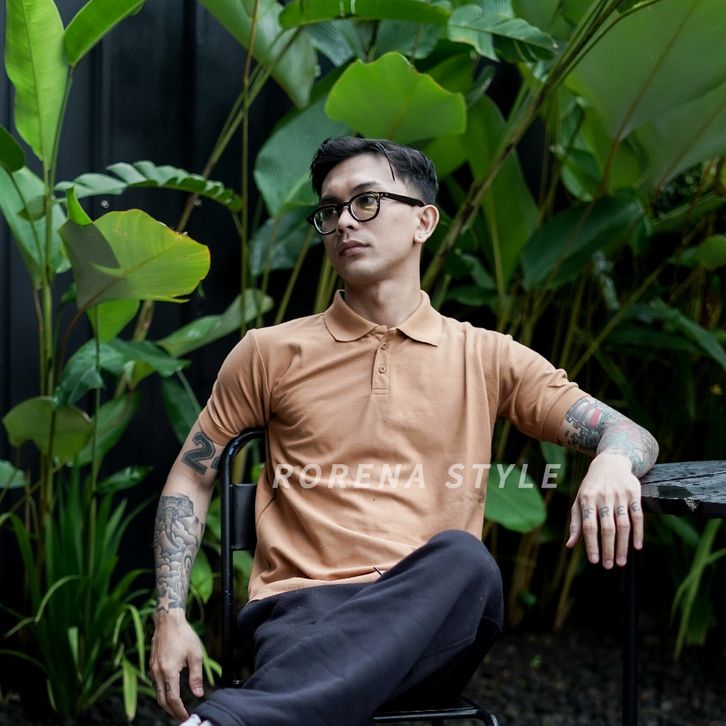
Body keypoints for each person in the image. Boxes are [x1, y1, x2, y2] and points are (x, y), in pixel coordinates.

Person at [150, 137, 659, 726]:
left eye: (366, 201)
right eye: (330, 209)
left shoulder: (485, 355)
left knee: (466, 562)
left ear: (424, 221)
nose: (344, 221)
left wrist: (613, 461)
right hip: (305, 613)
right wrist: (170, 617)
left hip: (432, 616)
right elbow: (192, 475)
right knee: (354, 641)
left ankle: (229, 721)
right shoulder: (269, 352)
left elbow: (626, 431)